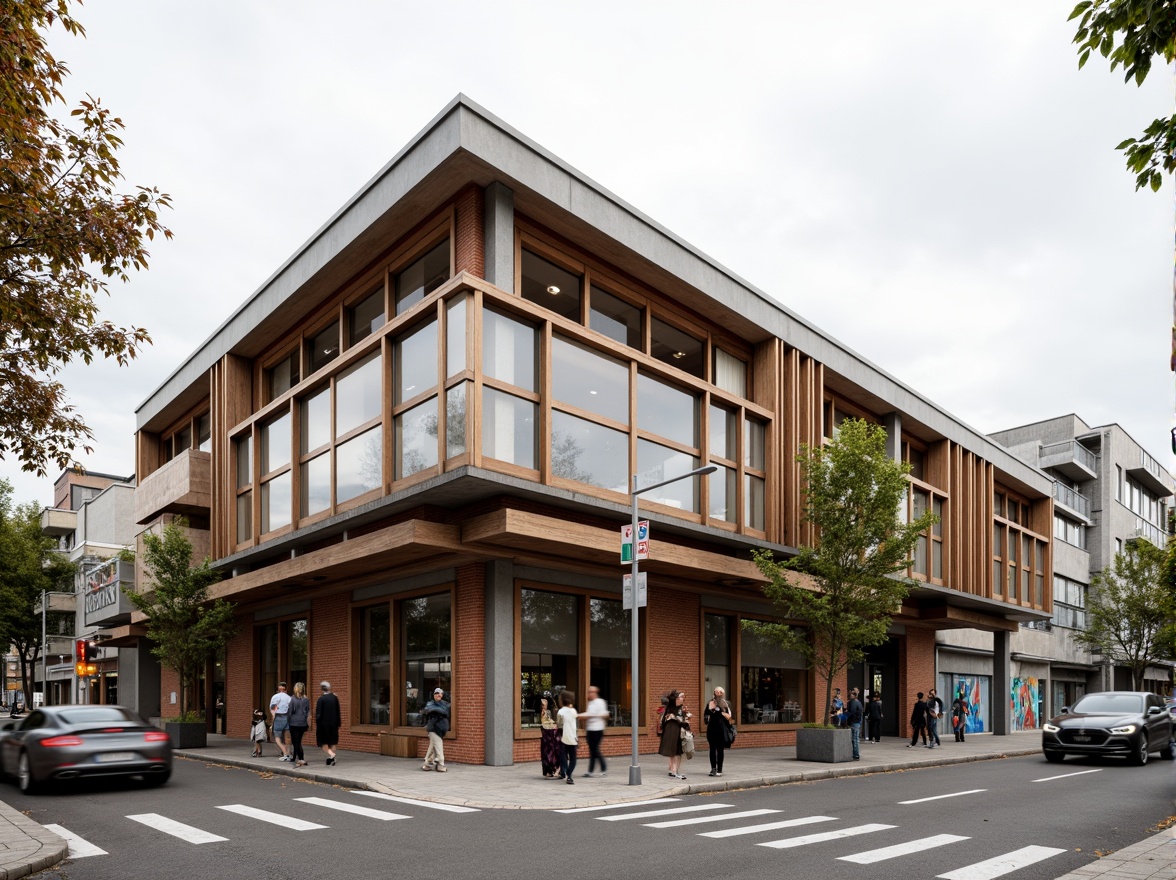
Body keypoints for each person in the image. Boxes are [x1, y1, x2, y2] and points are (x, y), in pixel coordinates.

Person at [658, 689, 691, 780]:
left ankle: (672, 770)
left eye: (684, 697)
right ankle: (674, 771)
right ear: (676, 698)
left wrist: (686, 717)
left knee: (676, 751)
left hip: (678, 730)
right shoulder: (671, 708)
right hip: (672, 730)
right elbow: (670, 719)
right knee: (675, 751)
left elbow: (683, 719)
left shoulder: (681, 707)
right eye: (681, 696)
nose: (683, 698)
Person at [579, 685, 609, 778]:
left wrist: (579, 715)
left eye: (590, 692)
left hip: (597, 729)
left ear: (595, 693)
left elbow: (602, 714)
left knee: (595, 750)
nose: (589, 694)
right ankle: (592, 770)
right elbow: (589, 714)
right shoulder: (591, 703)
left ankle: (601, 768)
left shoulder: (600, 702)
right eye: (588, 692)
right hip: (590, 729)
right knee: (592, 750)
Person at [703, 686, 733, 777]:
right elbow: (706, 715)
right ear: (714, 692)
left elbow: (730, 717)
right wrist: (711, 709)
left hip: (722, 728)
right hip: (712, 728)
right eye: (717, 692)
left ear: (723, 694)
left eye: (720, 692)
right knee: (712, 748)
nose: (718, 694)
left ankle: (720, 769)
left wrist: (724, 714)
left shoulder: (726, 703)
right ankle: (713, 769)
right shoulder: (710, 702)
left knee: (720, 749)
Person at [422, 687, 450, 772]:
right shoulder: (430, 704)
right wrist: (438, 710)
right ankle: (441, 764)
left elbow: (446, 711)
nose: (439, 695)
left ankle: (428, 763)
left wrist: (437, 710)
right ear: (434, 695)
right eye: (437, 693)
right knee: (438, 745)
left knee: (433, 745)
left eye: (441, 693)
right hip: (433, 728)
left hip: (441, 729)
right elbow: (428, 710)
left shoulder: (444, 704)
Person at [316, 681, 341, 766]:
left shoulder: (321, 699)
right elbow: (338, 711)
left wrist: (317, 722)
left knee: (324, 743)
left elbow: (318, 714)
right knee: (332, 742)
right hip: (334, 723)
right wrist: (338, 722)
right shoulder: (335, 698)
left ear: (322, 689)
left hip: (323, 725)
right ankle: (331, 759)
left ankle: (331, 754)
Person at [556, 690, 579, 785]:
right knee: (573, 759)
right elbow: (575, 725)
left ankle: (563, 772)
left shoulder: (560, 712)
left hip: (563, 738)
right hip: (573, 738)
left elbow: (559, 725)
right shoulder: (573, 711)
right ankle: (569, 775)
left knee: (563, 757)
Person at [288, 682, 311, 767]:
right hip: (303, 722)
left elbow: (290, 712)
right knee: (298, 740)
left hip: (294, 723)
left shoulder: (292, 699)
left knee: (295, 741)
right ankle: (294, 757)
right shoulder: (306, 699)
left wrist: (288, 721)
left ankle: (301, 758)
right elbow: (308, 711)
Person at [538, 692, 560, 778]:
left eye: (546, 705)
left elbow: (549, 719)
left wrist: (552, 722)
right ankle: (549, 770)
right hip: (546, 730)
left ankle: (552, 769)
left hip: (549, 730)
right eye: (544, 705)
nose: (545, 706)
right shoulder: (543, 712)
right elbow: (545, 720)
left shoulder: (547, 711)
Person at [269, 681, 292, 761]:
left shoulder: (275, 697)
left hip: (278, 717)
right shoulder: (289, 698)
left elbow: (273, 709)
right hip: (287, 717)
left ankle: (285, 753)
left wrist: (273, 720)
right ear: (286, 689)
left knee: (277, 737)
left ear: (278, 689)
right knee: (287, 736)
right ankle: (289, 753)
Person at [846, 687, 864, 760]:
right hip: (857, 722)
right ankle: (855, 754)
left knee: (855, 739)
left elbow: (852, 712)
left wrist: (844, 716)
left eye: (851, 694)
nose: (850, 695)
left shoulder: (853, 702)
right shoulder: (858, 702)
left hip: (854, 722)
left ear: (853, 695)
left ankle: (856, 755)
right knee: (855, 738)